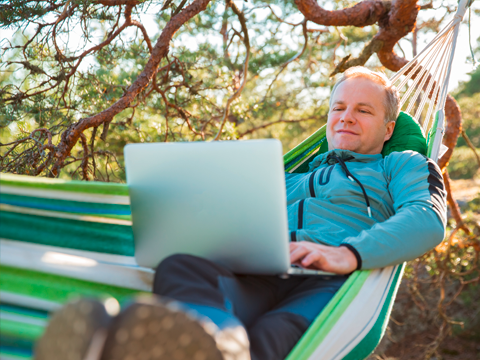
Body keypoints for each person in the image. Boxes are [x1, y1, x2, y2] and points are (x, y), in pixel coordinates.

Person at [35, 67, 447, 360]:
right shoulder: (284, 176)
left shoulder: (402, 163)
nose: (346, 117)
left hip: (331, 283)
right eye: (338, 107)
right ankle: (207, 345)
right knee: (182, 267)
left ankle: (107, 344)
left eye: (363, 110)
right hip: (259, 269)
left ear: (389, 128)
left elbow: (427, 217)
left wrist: (349, 254)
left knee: (273, 335)